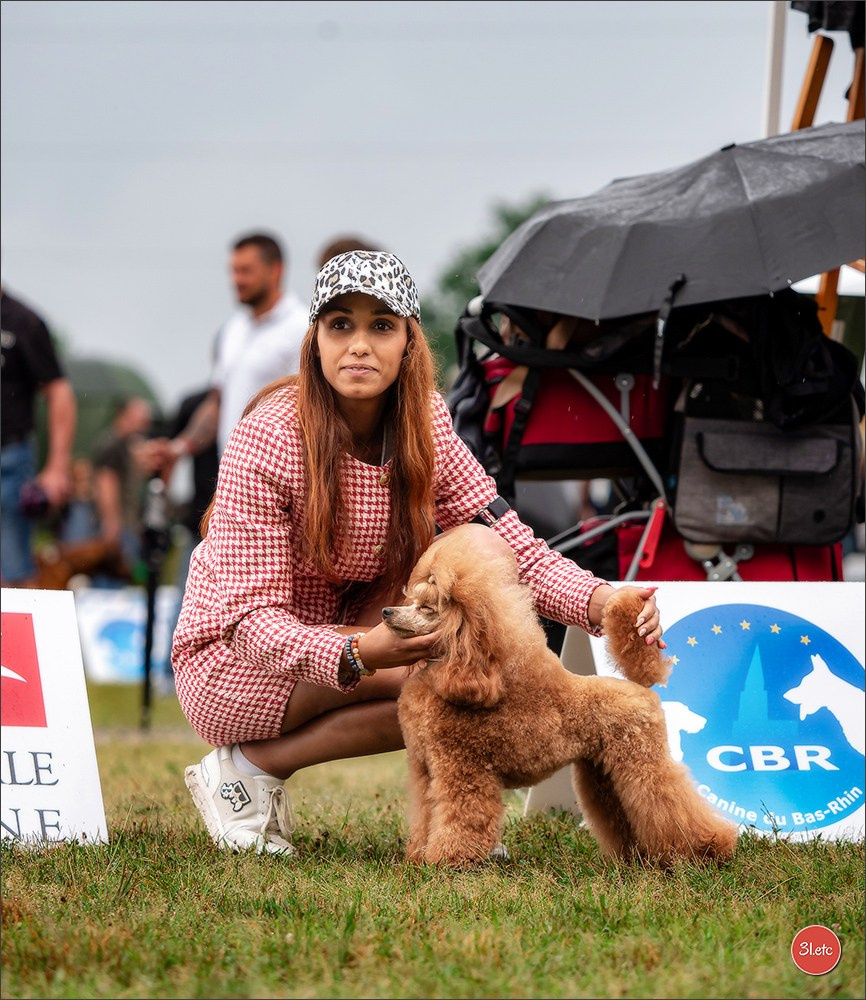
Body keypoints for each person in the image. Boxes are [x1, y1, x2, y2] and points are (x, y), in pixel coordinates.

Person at [174, 250, 666, 856]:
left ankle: (275, 774)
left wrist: (604, 601)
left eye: (381, 325)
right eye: (340, 325)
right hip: (235, 660)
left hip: (360, 626)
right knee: (434, 673)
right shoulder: (270, 434)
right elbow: (250, 620)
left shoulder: (424, 419)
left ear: (409, 340)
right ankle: (247, 769)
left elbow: (514, 549)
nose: (359, 345)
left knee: (477, 563)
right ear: (315, 339)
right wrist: (361, 652)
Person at [152, 232, 308, 470]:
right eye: (233, 271)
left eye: (245, 271)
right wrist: (178, 449)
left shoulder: (303, 327)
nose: (236, 280)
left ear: (275, 270)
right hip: (231, 472)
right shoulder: (233, 328)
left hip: (281, 472)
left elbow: (309, 406)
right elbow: (217, 404)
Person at [1, 286, 77, 587]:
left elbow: (59, 392)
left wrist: (57, 467)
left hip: (9, 458)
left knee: (13, 570)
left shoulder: (22, 320)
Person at [91, 395, 154, 584]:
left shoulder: (126, 444)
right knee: (112, 577)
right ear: (125, 415)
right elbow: (106, 482)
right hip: (118, 525)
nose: (145, 426)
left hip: (125, 523)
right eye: (141, 420)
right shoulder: (113, 444)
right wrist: (111, 522)